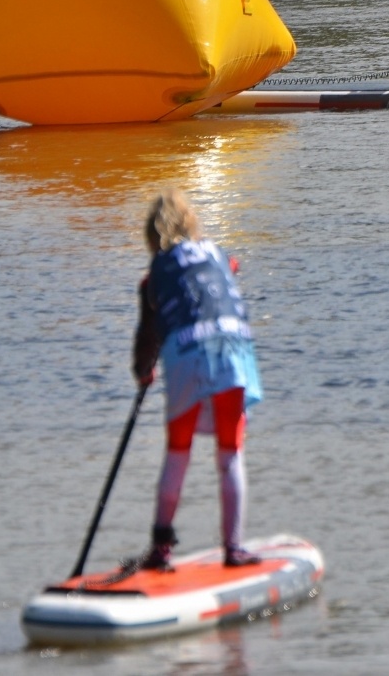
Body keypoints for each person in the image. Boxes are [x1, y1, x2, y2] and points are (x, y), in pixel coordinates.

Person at [133, 188, 264, 570]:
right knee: (230, 452)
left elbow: (148, 335)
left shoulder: (155, 273)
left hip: (187, 354)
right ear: (192, 223)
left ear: (152, 235)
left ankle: (161, 549)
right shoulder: (219, 254)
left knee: (178, 451)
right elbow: (224, 279)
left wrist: (143, 372)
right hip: (234, 352)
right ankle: (234, 549)